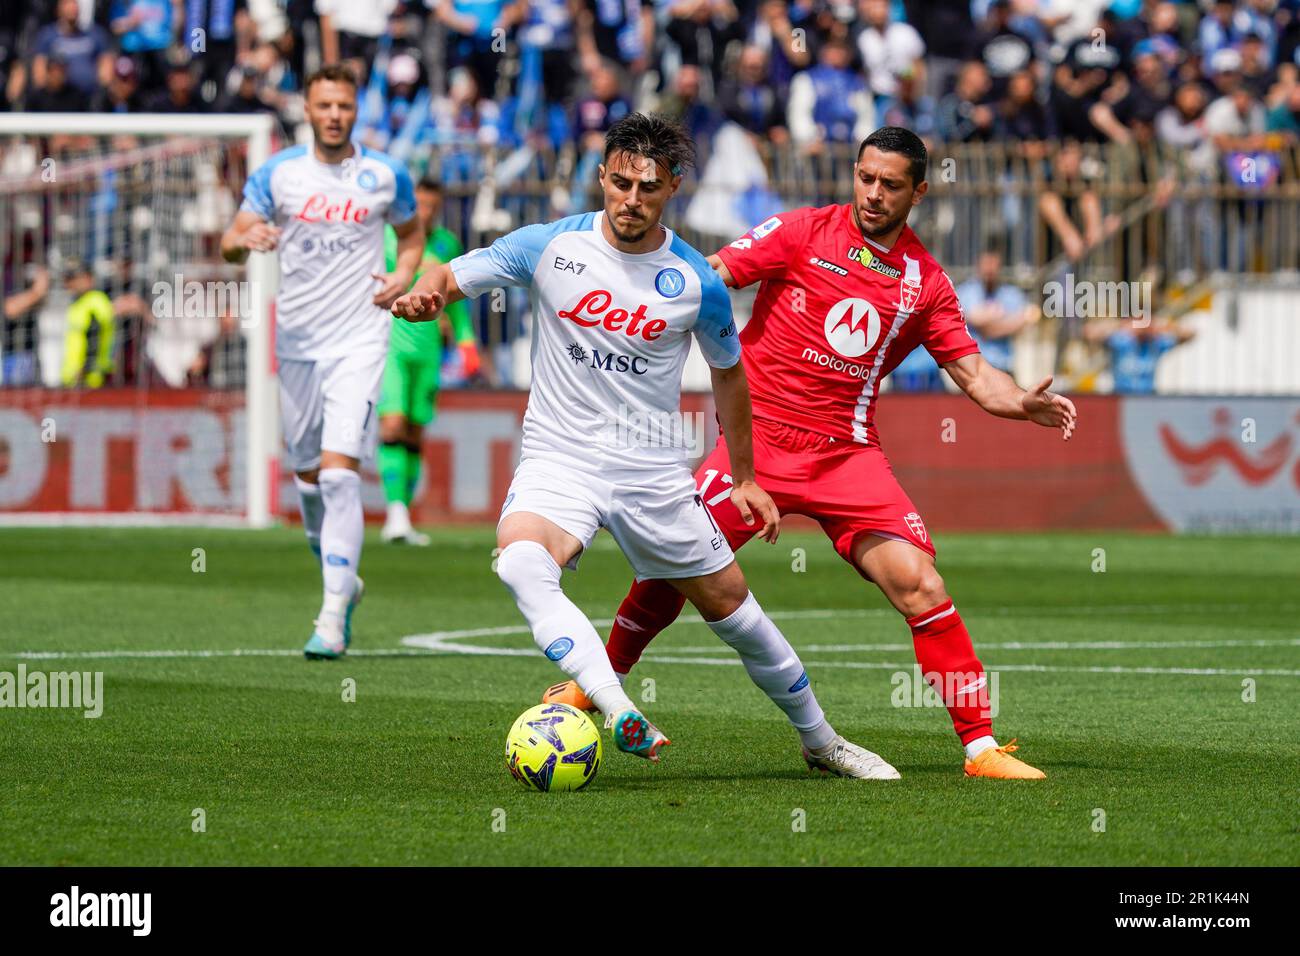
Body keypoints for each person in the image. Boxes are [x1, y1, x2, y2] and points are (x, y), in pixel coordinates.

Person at [545, 127, 1079, 779]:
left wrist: (1021, 401)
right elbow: (708, 279)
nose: (874, 194)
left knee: (921, 585)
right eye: (865, 178)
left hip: (847, 456)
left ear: (918, 191)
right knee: (677, 562)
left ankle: (981, 748)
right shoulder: (800, 231)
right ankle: (590, 687)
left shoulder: (924, 283)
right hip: (759, 444)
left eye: (889, 184)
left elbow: (973, 374)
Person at [391, 113, 898, 778]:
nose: (632, 199)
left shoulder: (694, 282)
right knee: (519, 560)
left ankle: (822, 741)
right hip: (560, 458)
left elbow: (728, 374)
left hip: (651, 470)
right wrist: (426, 293)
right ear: (602, 176)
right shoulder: (549, 246)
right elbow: (453, 274)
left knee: (733, 613)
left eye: (649, 188)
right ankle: (614, 703)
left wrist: (744, 475)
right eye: (621, 182)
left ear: (673, 189)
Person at [220, 64, 424, 660]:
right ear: (306, 111)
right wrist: (245, 241)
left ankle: (332, 614)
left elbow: (412, 235)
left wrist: (404, 273)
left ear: (355, 110)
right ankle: (342, 577)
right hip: (299, 344)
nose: (334, 114)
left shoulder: (385, 174)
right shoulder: (278, 175)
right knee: (308, 477)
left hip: (361, 339)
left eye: (344, 105)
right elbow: (231, 239)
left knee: (339, 474)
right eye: (324, 105)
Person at [378, 177, 481, 546]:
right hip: (390, 346)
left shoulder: (447, 244)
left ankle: (402, 516)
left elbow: (459, 305)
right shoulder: (389, 240)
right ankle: (395, 513)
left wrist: (467, 345)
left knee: (415, 431)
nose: (425, 211)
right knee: (392, 426)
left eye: (431, 205)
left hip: (429, 351)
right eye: (419, 204)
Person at [955, 245, 1038, 374]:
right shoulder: (966, 291)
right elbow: (972, 319)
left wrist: (986, 322)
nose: (989, 269)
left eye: (993, 264)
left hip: (1004, 367)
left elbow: (1030, 316)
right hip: (974, 369)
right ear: (978, 265)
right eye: (986, 264)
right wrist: (1002, 319)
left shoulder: (1011, 293)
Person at [60, 260, 115, 388]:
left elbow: (95, 337)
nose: (68, 283)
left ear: (87, 278)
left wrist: (85, 369)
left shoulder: (95, 302)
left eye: (72, 278)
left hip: (90, 381)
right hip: (76, 381)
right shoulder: (80, 302)